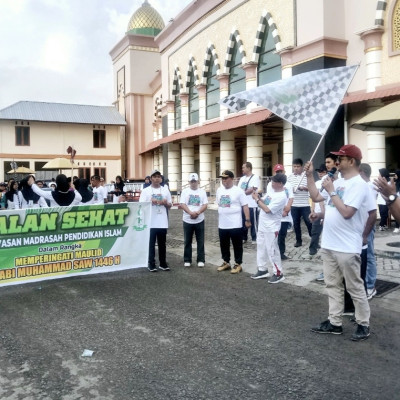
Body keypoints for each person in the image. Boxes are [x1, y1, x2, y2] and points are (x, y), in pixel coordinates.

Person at [305, 144, 371, 341]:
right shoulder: (338, 181)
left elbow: (348, 213)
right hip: (330, 244)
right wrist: (310, 177)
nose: (337, 162)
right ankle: (334, 322)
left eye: (341, 159)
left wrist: (332, 190)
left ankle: (363, 323)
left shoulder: (359, 184)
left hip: (347, 246)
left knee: (354, 287)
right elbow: (316, 196)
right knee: (332, 285)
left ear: (351, 161)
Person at [251, 173, 288, 283]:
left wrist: (257, 200)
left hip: (271, 228)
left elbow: (267, 209)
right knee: (261, 248)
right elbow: (263, 202)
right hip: (262, 225)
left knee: (272, 250)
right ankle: (262, 269)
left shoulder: (281, 196)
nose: (271, 183)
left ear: (280, 183)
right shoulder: (272, 192)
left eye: (274, 181)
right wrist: (257, 197)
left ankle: (278, 273)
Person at [216, 170, 251, 274]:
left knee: (237, 245)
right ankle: (226, 262)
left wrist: (247, 220)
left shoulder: (238, 191)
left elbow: (245, 205)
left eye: (226, 178)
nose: (224, 180)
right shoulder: (219, 190)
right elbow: (219, 204)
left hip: (235, 224)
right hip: (222, 223)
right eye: (222, 178)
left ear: (232, 179)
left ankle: (238, 264)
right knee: (224, 244)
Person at [139, 169, 172, 272]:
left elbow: (170, 205)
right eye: (155, 176)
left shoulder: (165, 190)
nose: (157, 178)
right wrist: (150, 201)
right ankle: (151, 263)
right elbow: (141, 205)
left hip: (162, 221)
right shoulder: (146, 191)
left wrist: (165, 203)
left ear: (161, 179)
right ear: (151, 178)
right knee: (151, 244)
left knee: (162, 244)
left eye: (159, 177)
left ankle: (163, 263)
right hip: (151, 221)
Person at [179, 173, 208, 267]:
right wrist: (190, 213)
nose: (193, 183)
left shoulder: (202, 192)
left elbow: (205, 205)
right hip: (187, 219)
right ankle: (187, 259)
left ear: (198, 182)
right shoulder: (185, 191)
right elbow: (182, 204)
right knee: (187, 241)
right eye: (192, 181)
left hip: (199, 219)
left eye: (195, 181)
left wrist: (198, 212)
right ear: (189, 182)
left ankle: (201, 259)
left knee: (200, 241)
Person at [266, 164, 293, 260]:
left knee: (282, 235)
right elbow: (269, 198)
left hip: (285, 214)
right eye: (277, 172)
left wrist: (287, 209)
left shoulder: (288, 184)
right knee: (274, 235)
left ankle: (281, 253)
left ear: (284, 172)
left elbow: (291, 197)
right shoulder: (270, 184)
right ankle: (272, 253)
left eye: (280, 171)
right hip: (274, 212)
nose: (279, 173)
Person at [359, 163, 378, 300]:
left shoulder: (369, 187)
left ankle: (370, 286)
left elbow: (371, 211)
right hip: (361, 225)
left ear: (361, 172)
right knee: (362, 256)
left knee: (369, 255)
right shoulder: (364, 186)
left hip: (367, 225)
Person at [287, 158, 312, 247]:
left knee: (308, 222)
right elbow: (286, 189)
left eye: (298, 166)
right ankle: (298, 241)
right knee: (296, 224)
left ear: (301, 167)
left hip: (305, 204)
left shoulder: (306, 176)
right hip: (294, 204)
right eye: (294, 166)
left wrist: (304, 188)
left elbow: (312, 188)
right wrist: (292, 189)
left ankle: (313, 240)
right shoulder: (289, 177)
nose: (296, 168)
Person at [309, 164, 328, 257]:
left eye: (322, 171)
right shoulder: (316, 183)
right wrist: (312, 210)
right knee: (315, 231)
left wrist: (323, 211)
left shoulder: (328, 182)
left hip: (326, 211)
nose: (320, 173)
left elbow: (322, 200)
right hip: (317, 211)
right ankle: (312, 248)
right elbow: (313, 198)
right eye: (319, 172)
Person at [238, 162, 259, 244]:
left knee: (253, 222)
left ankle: (255, 238)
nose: (242, 169)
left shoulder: (255, 177)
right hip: (243, 204)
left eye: (244, 167)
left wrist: (242, 194)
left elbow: (252, 189)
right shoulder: (242, 179)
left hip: (252, 204)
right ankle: (244, 237)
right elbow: (239, 189)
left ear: (249, 168)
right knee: (243, 221)